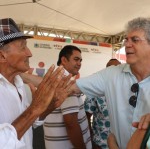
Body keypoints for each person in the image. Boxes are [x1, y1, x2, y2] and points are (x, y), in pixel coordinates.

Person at [68, 17, 150, 149]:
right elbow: (70, 87)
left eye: (135, 40)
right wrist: (24, 77)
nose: (127, 45)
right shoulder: (111, 74)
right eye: (126, 40)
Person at [0, 18, 74, 149]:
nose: (29, 53)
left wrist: (47, 108)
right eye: (23, 47)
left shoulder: (18, 82)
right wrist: (34, 109)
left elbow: (28, 123)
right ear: (2, 56)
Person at [43, 45, 92, 149]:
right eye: (76, 59)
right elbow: (71, 123)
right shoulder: (64, 81)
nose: (79, 64)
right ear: (64, 60)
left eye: (80, 60)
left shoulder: (55, 78)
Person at [84, 58, 121, 149]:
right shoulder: (95, 91)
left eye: (118, 68)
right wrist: (91, 140)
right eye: (111, 69)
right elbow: (86, 117)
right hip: (101, 144)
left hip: (123, 144)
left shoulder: (128, 89)